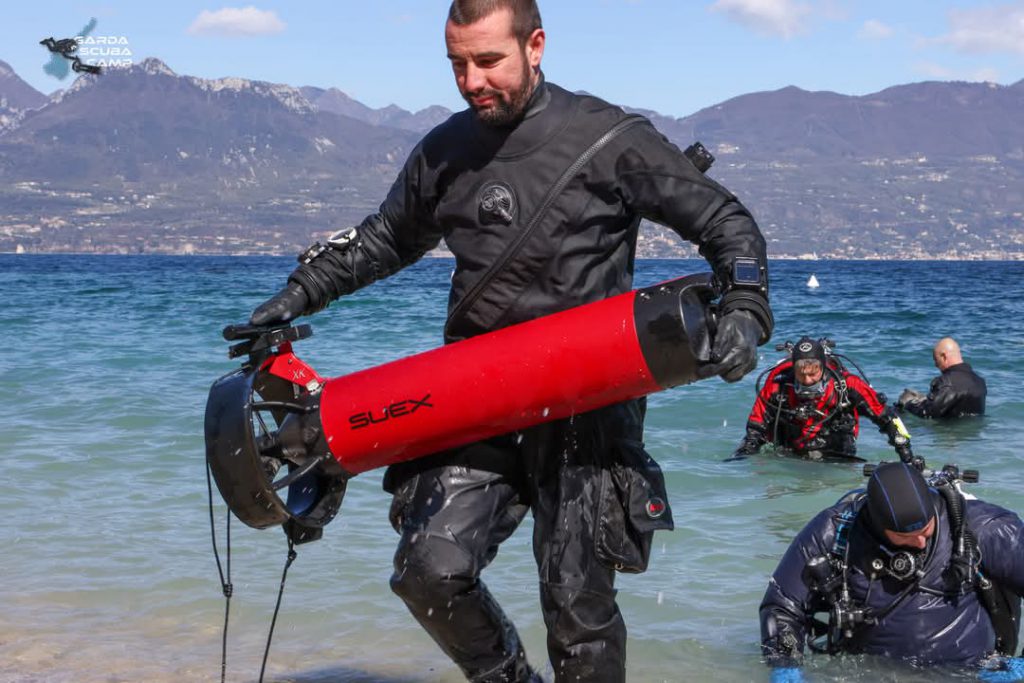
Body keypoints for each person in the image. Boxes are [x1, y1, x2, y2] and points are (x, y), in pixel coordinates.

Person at [245, 1, 774, 681]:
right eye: (458, 64)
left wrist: (746, 306)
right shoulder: (444, 150)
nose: (471, 81)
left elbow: (723, 219)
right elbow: (383, 239)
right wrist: (299, 292)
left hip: (591, 397)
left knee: (577, 611)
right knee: (427, 572)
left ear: (536, 46)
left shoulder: (609, 137)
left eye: (488, 60)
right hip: (476, 394)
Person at [759, 461, 1024, 682]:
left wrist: (1020, 668)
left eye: (926, 530)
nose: (920, 542)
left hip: (969, 673)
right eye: (906, 536)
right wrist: (785, 666)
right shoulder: (834, 530)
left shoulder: (984, 528)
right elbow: (783, 606)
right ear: (877, 524)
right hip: (869, 673)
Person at [731, 337, 914, 462]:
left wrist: (907, 456)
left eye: (813, 374)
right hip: (791, 457)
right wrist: (741, 459)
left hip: (838, 457)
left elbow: (888, 419)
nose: (808, 380)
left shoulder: (848, 386)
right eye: (801, 375)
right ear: (793, 370)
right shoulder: (776, 388)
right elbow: (755, 430)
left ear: (823, 368)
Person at [898, 337, 987, 419]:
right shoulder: (980, 382)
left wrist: (908, 404)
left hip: (950, 433)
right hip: (973, 435)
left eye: (936, 360)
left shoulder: (946, 382)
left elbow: (928, 413)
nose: (936, 365)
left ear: (944, 356)